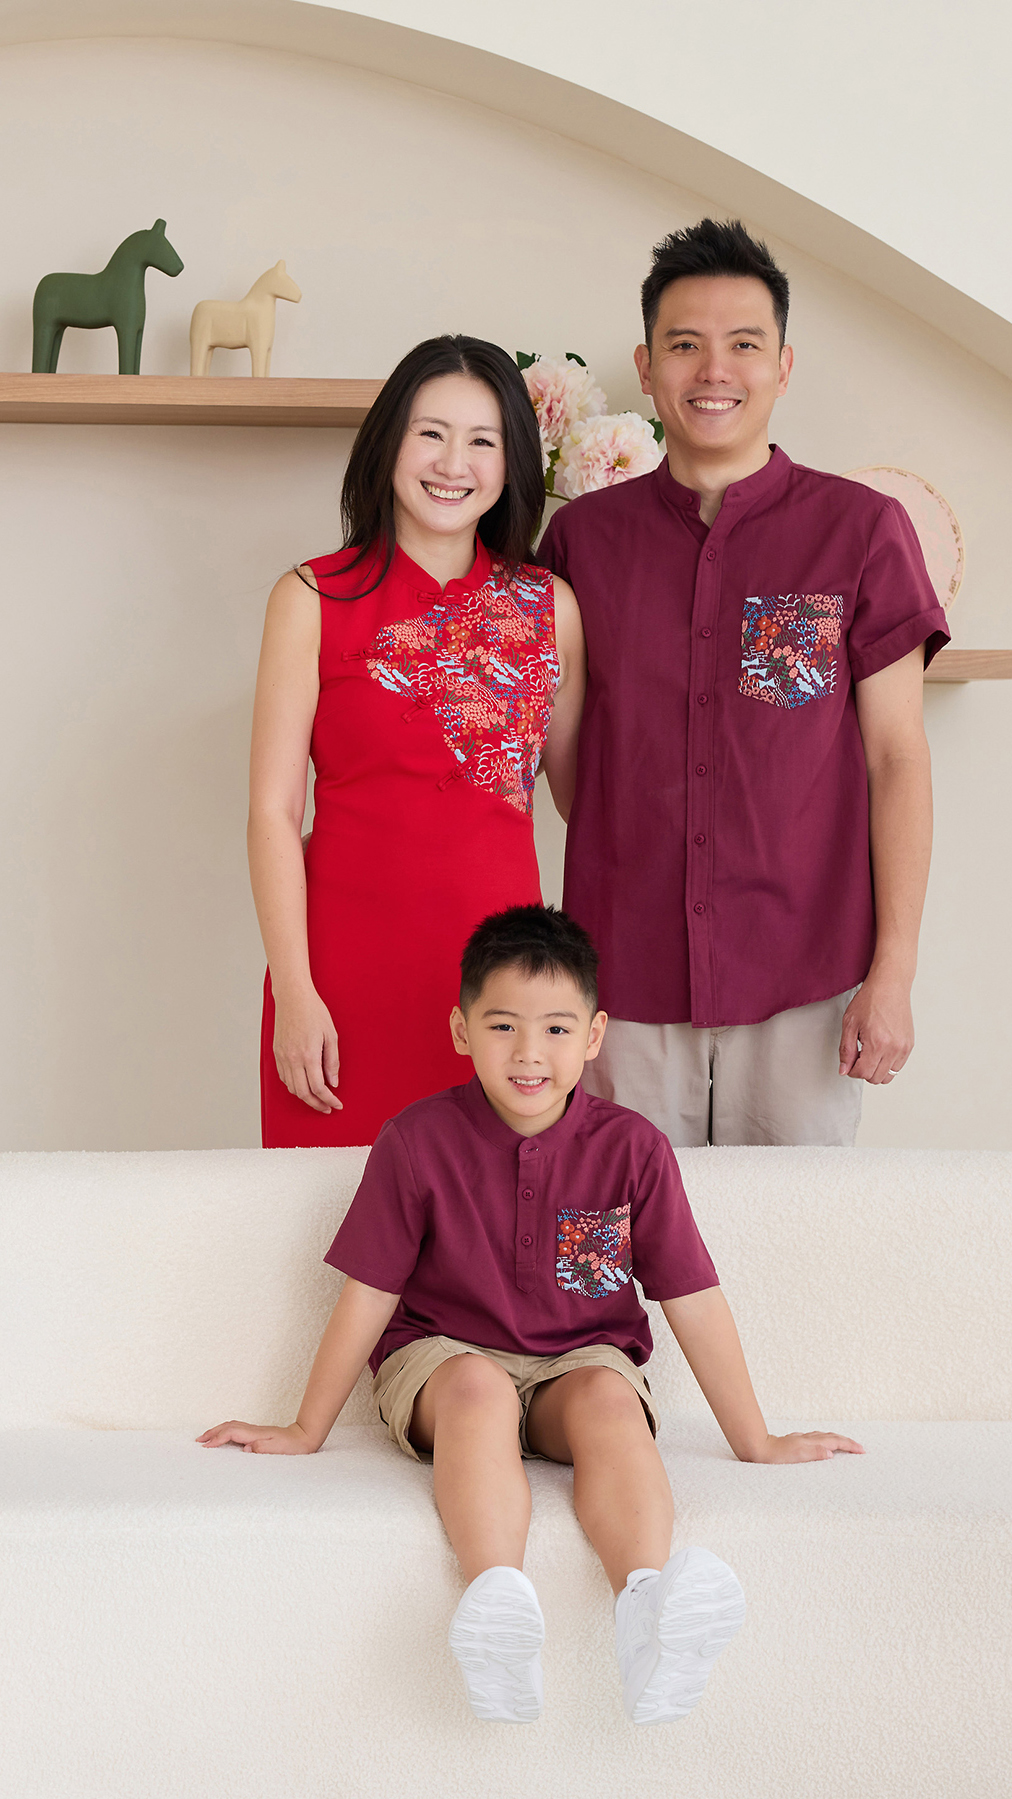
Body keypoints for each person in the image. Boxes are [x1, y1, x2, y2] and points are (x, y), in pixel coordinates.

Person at [200, 904, 862, 1725]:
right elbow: (368, 1293)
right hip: (443, 1359)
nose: (528, 1052)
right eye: (503, 1025)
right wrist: (306, 1428)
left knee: (610, 1398)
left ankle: (647, 1609)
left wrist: (755, 1438)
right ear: (461, 1030)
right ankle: (495, 1610)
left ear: (594, 1035)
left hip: (576, 1363)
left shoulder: (633, 1149)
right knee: (477, 1388)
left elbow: (691, 1297)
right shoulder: (415, 1141)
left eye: (555, 1028)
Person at [537, 219, 950, 1148]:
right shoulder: (581, 543)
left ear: (784, 365)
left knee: (799, 1229)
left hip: (807, 978)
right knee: (620, 1229)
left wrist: (894, 970)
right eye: (685, 344)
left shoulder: (861, 531)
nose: (714, 370)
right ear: (647, 367)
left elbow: (897, 757)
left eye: (745, 345)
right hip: (625, 983)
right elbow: (573, 771)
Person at [250, 335, 585, 1147]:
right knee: (324, 1215)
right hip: (339, 984)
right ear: (389, 442)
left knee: (491, 1216)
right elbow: (271, 812)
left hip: (502, 999)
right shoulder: (310, 597)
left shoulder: (551, 607)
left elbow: (584, 803)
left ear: (512, 462)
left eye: (482, 440)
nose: (452, 463)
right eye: (430, 433)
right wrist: (294, 990)